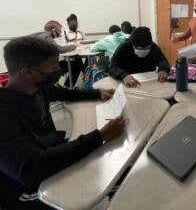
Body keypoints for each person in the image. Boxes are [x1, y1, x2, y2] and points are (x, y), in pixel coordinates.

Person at [0, 36, 127, 210]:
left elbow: (65, 93)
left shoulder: (38, 88)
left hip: (50, 157)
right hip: (27, 190)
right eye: (53, 67)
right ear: (28, 72)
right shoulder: (4, 113)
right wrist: (100, 135)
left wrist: (97, 93)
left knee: (115, 169)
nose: (59, 70)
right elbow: (32, 168)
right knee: (104, 182)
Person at [32, 20, 84, 87]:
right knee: (76, 64)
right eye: (59, 31)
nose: (60, 34)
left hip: (36, 67)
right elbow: (59, 49)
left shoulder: (38, 35)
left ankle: (68, 87)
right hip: (42, 69)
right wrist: (74, 46)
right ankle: (68, 87)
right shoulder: (46, 37)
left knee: (75, 62)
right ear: (53, 30)